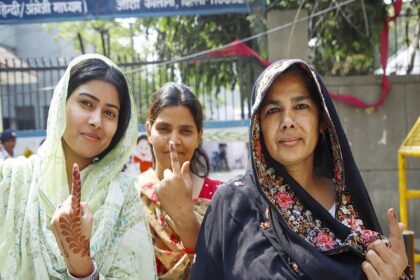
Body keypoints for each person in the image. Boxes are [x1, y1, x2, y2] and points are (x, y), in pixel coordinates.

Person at [190, 60, 411, 279]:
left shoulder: (349, 208)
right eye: (273, 110)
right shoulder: (232, 205)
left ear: (322, 120)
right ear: (258, 125)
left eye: (301, 106)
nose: (287, 121)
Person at [0, 54, 156, 279]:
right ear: (61, 104)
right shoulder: (13, 180)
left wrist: (83, 268)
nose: (96, 121)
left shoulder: (124, 197)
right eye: (86, 103)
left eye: (109, 113)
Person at [137, 82, 222, 279]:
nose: (174, 140)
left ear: (199, 135)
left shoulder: (221, 196)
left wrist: (185, 217)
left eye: (185, 131)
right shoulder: (131, 196)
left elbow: (228, 266)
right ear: (149, 131)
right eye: (164, 129)